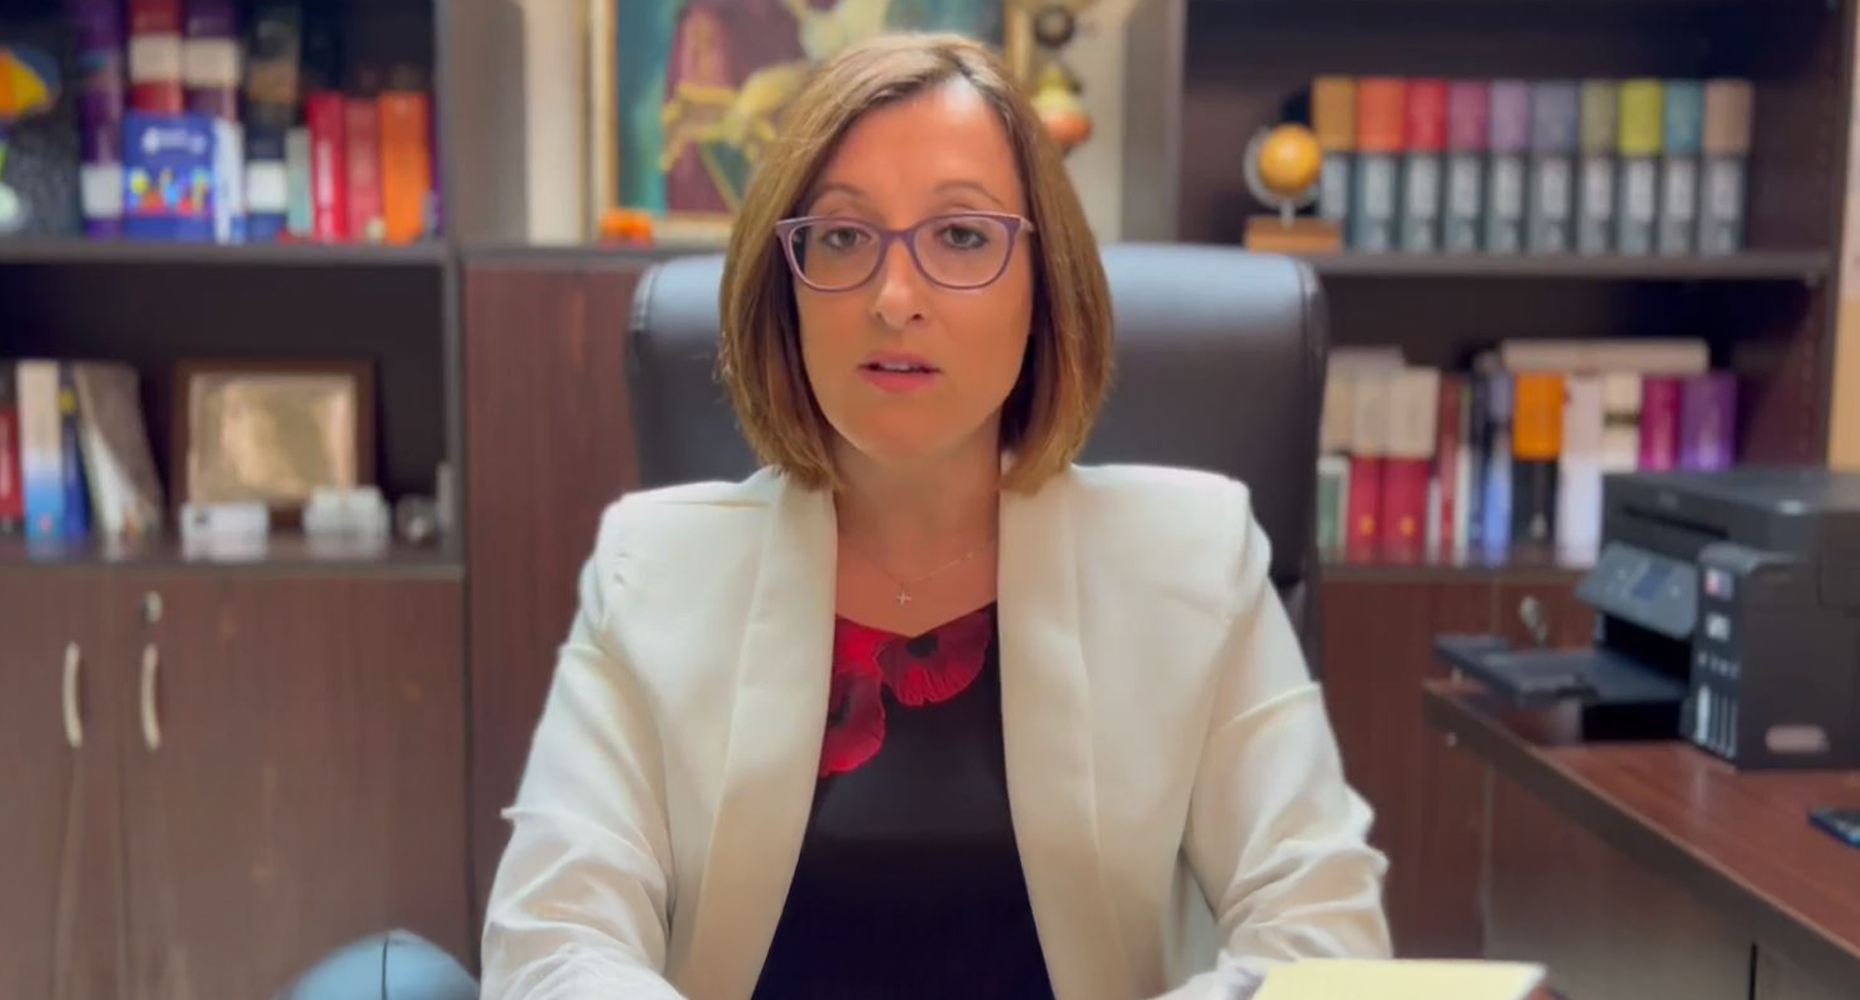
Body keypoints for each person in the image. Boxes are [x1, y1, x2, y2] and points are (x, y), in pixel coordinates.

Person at [481, 32, 1390, 1000]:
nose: (895, 298)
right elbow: (553, 942)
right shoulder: (650, 572)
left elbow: (1323, 936)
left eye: (961, 236)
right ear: (786, 292)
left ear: (1043, 288)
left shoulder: (1195, 562)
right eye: (843, 236)